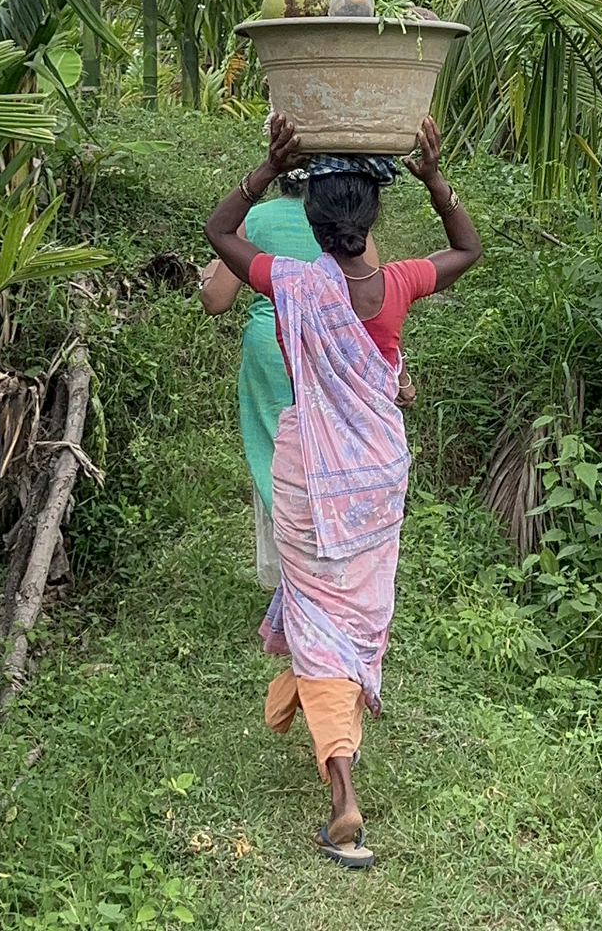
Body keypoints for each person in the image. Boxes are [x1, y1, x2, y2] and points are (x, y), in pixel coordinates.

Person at [204, 114, 482, 869]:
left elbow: (217, 230)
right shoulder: (396, 286)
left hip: (308, 479)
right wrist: (432, 176)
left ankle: (342, 794)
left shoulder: (289, 282)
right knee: (353, 618)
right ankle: (320, 708)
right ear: (372, 218)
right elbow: (467, 249)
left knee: (320, 621)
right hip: (375, 481)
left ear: (314, 222)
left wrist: (263, 168)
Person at [199, 178, 393, 590]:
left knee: (276, 459)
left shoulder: (254, 218)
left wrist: (207, 277)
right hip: (332, 355)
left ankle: (289, 570)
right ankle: (335, 560)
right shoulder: (345, 223)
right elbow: (371, 298)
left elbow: (216, 301)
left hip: (271, 353)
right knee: (327, 453)